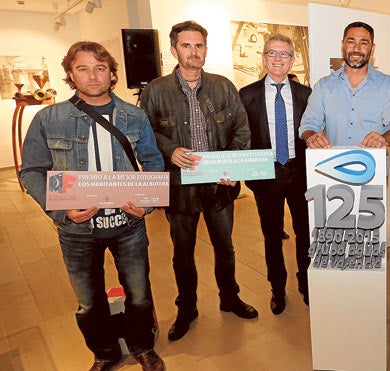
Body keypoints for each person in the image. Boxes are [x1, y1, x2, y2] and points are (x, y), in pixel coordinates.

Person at [19, 41, 165, 371]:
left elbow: (154, 161)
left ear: (112, 73)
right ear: (70, 74)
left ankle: (142, 346)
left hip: (128, 225)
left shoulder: (134, 115)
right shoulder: (49, 118)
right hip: (76, 230)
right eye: (82, 68)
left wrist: (147, 204)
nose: (93, 76)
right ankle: (105, 352)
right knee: (88, 301)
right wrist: (61, 209)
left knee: (139, 294)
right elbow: (32, 170)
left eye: (100, 68)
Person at [140, 20, 257, 342]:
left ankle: (230, 298)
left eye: (199, 45)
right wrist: (169, 149)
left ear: (206, 48)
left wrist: (232, 168)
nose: (194, 51)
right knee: (183, 252)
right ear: (174, 49)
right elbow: (146, 133)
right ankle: (187, 308)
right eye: (186, 45)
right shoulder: (155, 90)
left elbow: (242, 131)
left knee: (226, 247)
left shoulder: (223, 86)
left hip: (219, 185)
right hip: (179, 187)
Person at [239, 34, 312, 314]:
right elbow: (240, 137)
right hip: (265, 175)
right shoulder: (246, 95)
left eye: (284, 54)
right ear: (264, 57)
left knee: (304, 233)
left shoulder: (306, 95)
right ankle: (277, 289)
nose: (278, 59)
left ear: (292, 59)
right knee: (271, 235)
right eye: (272, 53)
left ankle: (305, 283)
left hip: (300, 173)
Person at [299, 21, 390, 148]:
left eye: (364, 43)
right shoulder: (323, 86)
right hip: (333, 165)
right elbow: (309, 123)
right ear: (342, 45)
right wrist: (312, 137)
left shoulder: (388, 85)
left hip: (374, 165)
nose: (356, 49)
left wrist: (386, 138)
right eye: (351, 42)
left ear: (372, 49)